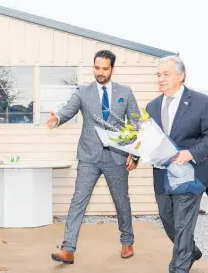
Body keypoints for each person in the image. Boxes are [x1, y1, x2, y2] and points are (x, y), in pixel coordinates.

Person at [48, 50, 140, 264]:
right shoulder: (83, 91)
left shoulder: (125, 92)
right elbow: (68, 110)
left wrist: (134, 155)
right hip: (89, 156)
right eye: (97, 68)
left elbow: (136, 124)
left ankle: (127, 240)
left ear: (112, 69)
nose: (100, 72)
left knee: (121, 201)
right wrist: (58, 117)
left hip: (116, 158)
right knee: (78, 200)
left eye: (105, 69)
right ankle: (68, 248)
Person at [146, 55, 208, 272]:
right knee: (167, 218)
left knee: (183, 223)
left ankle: (179, 266)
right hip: (161, 174)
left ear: (181, 76)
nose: (160, 79)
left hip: (189, 173)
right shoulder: (151, 107)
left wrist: (191, 153)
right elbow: (149, 138)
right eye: (158, 75)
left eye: (166, 74)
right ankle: (191, 250)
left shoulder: (200, 102)